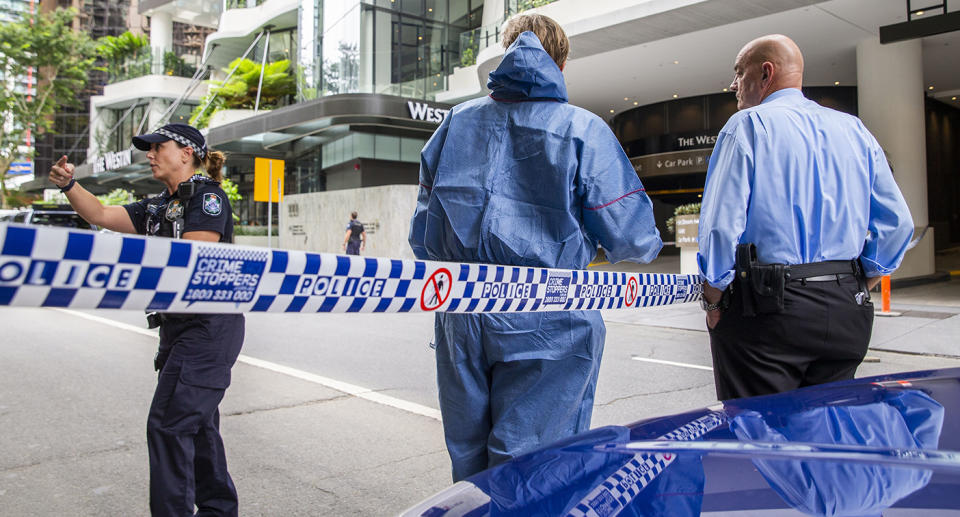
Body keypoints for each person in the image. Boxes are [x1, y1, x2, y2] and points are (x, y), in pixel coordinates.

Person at [408, 14, 662, 481]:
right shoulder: (582, 129)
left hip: (461, 309)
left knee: (469, 457)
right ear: (561, 64)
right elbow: (633, 238)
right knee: (532, 464)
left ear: (506, 52)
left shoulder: (455, 123)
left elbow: (423, 232)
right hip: (550, 317)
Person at [697, 35, 913, 401]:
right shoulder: (854, 130)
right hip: (846, 309)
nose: (733, 84)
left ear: (765, 73)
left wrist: (714, 300)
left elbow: (720, 228)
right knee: (829, 433)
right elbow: (898, 224)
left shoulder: (746, 126)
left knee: (760, 441)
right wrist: (858, 284)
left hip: (767, 312)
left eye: (738, 72)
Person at [49, 123, 244, 516]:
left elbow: (190, 262)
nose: (150, 154)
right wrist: (70, 185)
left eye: (159, 147)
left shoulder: (208, 199)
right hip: (178, 329)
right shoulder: (158, 206)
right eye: (148, 148)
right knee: (199, 429)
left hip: (207, 328)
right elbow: (102, 213)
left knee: (168, 425)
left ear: (186, 153)